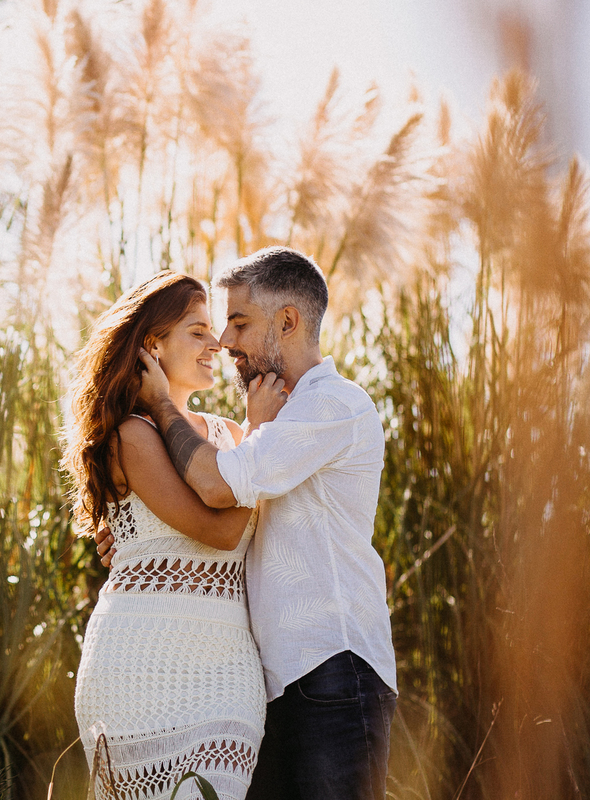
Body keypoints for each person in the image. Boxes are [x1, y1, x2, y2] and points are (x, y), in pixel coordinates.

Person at [98, 246, 398, 800]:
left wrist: (163, 405)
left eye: (239, 322)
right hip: (271, 684)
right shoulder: (270, 425)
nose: (225, 341)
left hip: (332, 669)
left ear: (287, 321)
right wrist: (142, 535)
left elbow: (218, 488)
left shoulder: (331, 405)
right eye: (218, 325)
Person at [65, 270, 286, 800]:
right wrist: (261, 435)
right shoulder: (131, 436)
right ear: (153, 345)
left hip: (225, 674)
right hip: (136, 665)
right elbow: (222, 533)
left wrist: (251, 437)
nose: (215, 343)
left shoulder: (228, 436)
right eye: (197, 330)